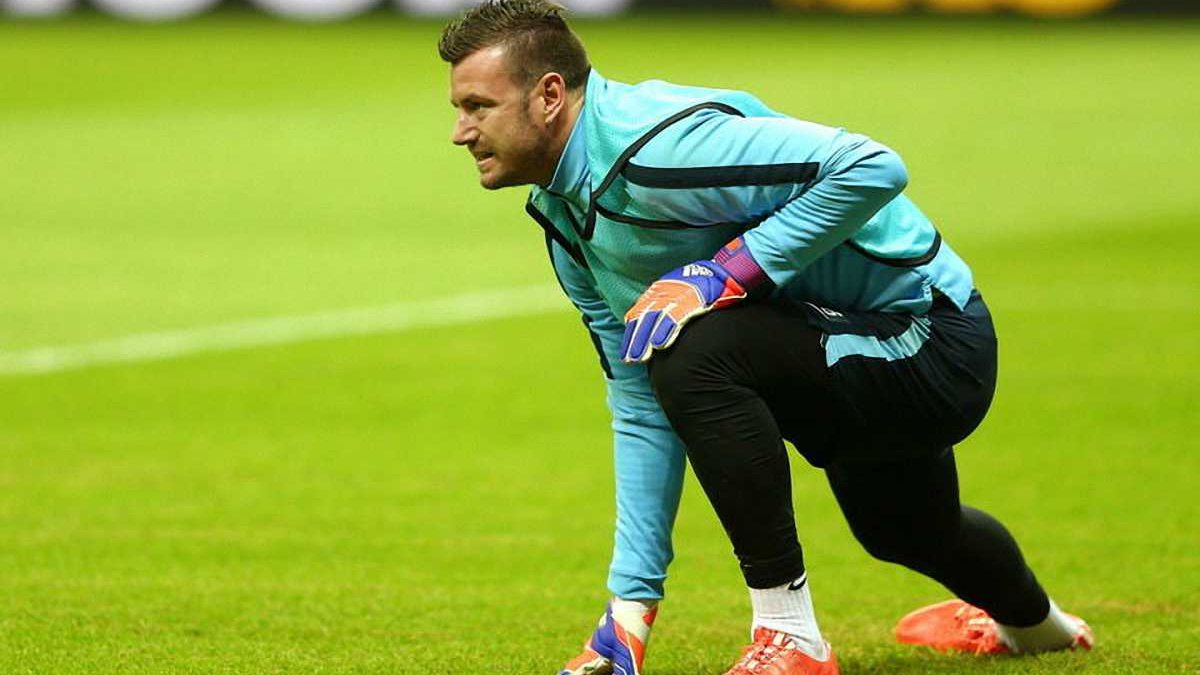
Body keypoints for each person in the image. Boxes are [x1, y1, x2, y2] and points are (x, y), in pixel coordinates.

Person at [438, 3, 1094, 674]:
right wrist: (630, 606)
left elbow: (872, 166)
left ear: (550, 95)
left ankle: (791, 635)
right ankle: (1040, 627)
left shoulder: (658, 149)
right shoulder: (564, 216)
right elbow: (638, 399)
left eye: (478, 106)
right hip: (842, 345)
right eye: (459, 109)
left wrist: (725, 271)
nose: (461, 132)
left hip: (932, 340)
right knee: (908, 531)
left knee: (696, 350)